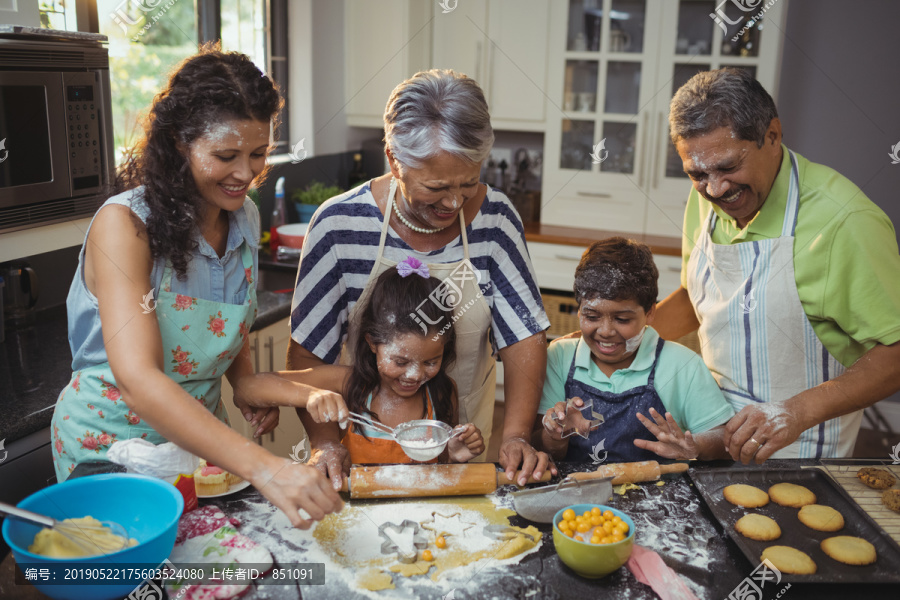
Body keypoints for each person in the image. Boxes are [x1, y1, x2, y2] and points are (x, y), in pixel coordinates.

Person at [50, 45, 343, 529]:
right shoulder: (124, 227)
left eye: (258, 153)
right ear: (178, 144)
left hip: (201, 451)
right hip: (110, 451)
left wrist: (307, 392)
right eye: (225, 155)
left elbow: (240, 378)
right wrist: (266, 466)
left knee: (216, 573)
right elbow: (139, 382)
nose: (246, 174)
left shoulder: (243, 217)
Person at [287, 69, 554, 488]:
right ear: (394, 160)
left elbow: (524, 338)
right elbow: (307, 357)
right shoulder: (338, 223)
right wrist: (324, 443)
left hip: (459, 450)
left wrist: (516, 434)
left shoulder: (496, 219)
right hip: (361, 450)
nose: (453, 202)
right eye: (436, 187)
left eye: (468, 183)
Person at [655, 68, 900, 463]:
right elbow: (700, 296)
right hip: (709, 431)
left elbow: (896, 352)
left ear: (772, 135)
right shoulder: (707, 196)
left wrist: (796, 412)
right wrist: (617, 338)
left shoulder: (845, 222)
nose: (715, 190)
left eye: (728, 167)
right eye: (697, 174)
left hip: (799, 454)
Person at [535, 238, 734, 462]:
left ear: (650, 313)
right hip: (576, 493)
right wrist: (556, 436)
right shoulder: (560, 357)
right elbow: (545, 450)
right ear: (579, 310)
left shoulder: (681, 364)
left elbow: (723, 439)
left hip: (657, 493)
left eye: (622, 319)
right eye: (591, 316)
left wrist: (694, 446)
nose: (606, 331)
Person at [339, 258, 484, 463]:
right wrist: (322, 435)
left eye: (430, 362)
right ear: (372, 343)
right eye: (401, 362)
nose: (415, 375)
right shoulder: (347, 384)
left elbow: (442, 465)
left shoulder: (442, 392)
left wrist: (454, 455)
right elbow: (283, 383)